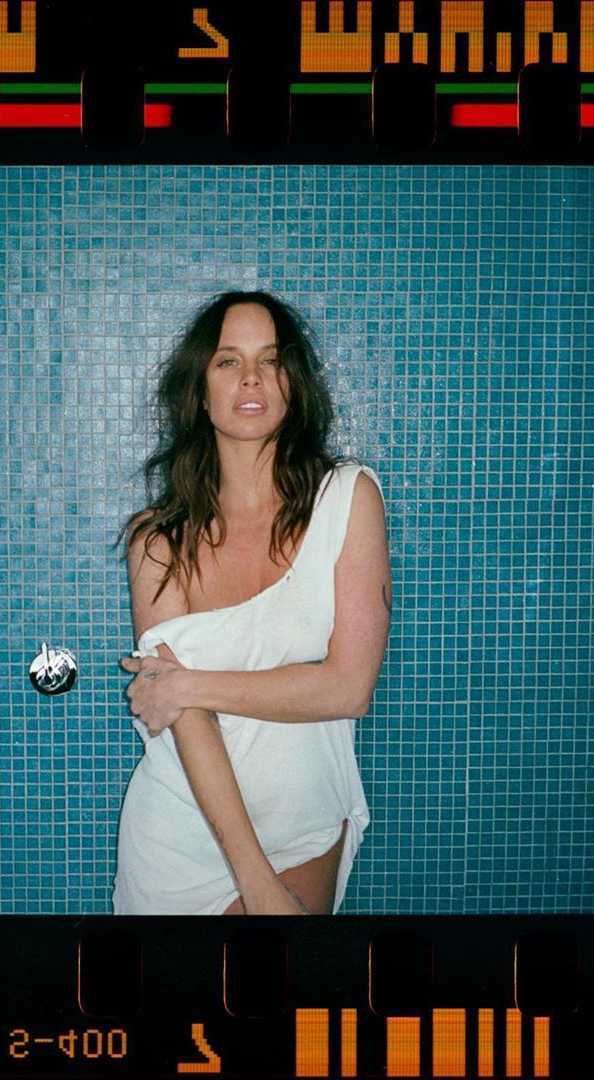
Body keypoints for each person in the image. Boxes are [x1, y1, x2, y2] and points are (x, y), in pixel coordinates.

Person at [112, 291, 391, 915]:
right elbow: (184, 720)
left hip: (304, 827)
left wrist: (189, 684)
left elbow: (348, 689)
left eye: (271, 359)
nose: (252, 377)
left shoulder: (347, 500)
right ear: (200, 391)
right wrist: (255, 879)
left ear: (294, 384)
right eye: (227, 361)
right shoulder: (157, 540)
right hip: (180, 834)